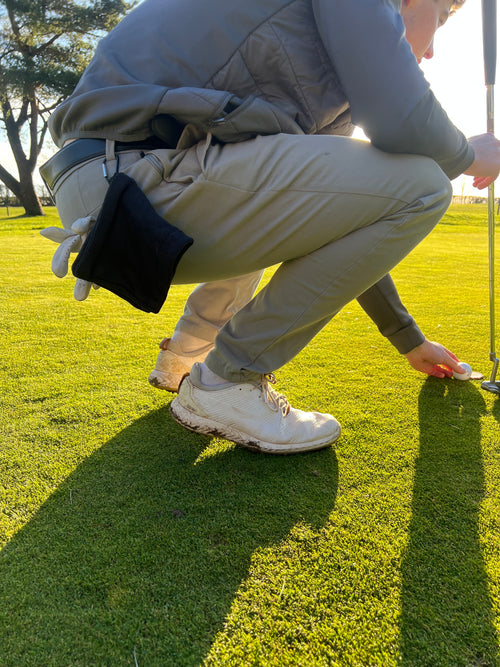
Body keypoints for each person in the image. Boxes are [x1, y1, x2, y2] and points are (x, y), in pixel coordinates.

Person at [41, 0, 500, 454]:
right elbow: (397, 116)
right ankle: (227, 380)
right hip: (136, 178)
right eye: (440, 17)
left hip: (108, 182)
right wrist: (465, 155)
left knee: (289, 196)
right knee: (427, 183)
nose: (432, 50)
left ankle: (187, 355)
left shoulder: (324, 77)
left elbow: (342, 222)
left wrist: (408, 339)